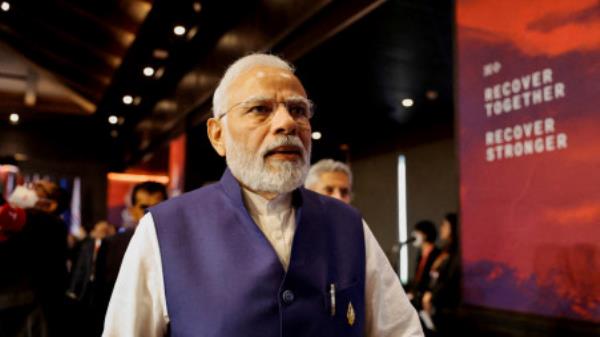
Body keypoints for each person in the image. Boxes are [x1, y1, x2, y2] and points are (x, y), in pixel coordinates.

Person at [102, 53, 423, 337]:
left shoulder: (348, 226)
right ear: (217, 135)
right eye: (260, 109)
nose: (287, 123)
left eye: (298, 110)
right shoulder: (165, 230)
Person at [421, 213, 460, 336]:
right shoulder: (444, 251)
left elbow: (447, 280)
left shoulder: (455, 254)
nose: (441, 228)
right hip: (433, 302)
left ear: (453, 228)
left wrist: (432, 295)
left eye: (444, 225)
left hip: (444, 305)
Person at [408, 220, 440, 312]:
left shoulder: (436, 254)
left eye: (417, 232)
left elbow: (433, 278)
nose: (413, 235)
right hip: (417, 297)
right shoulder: (421, 254)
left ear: (425, 235)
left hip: (428, 299)